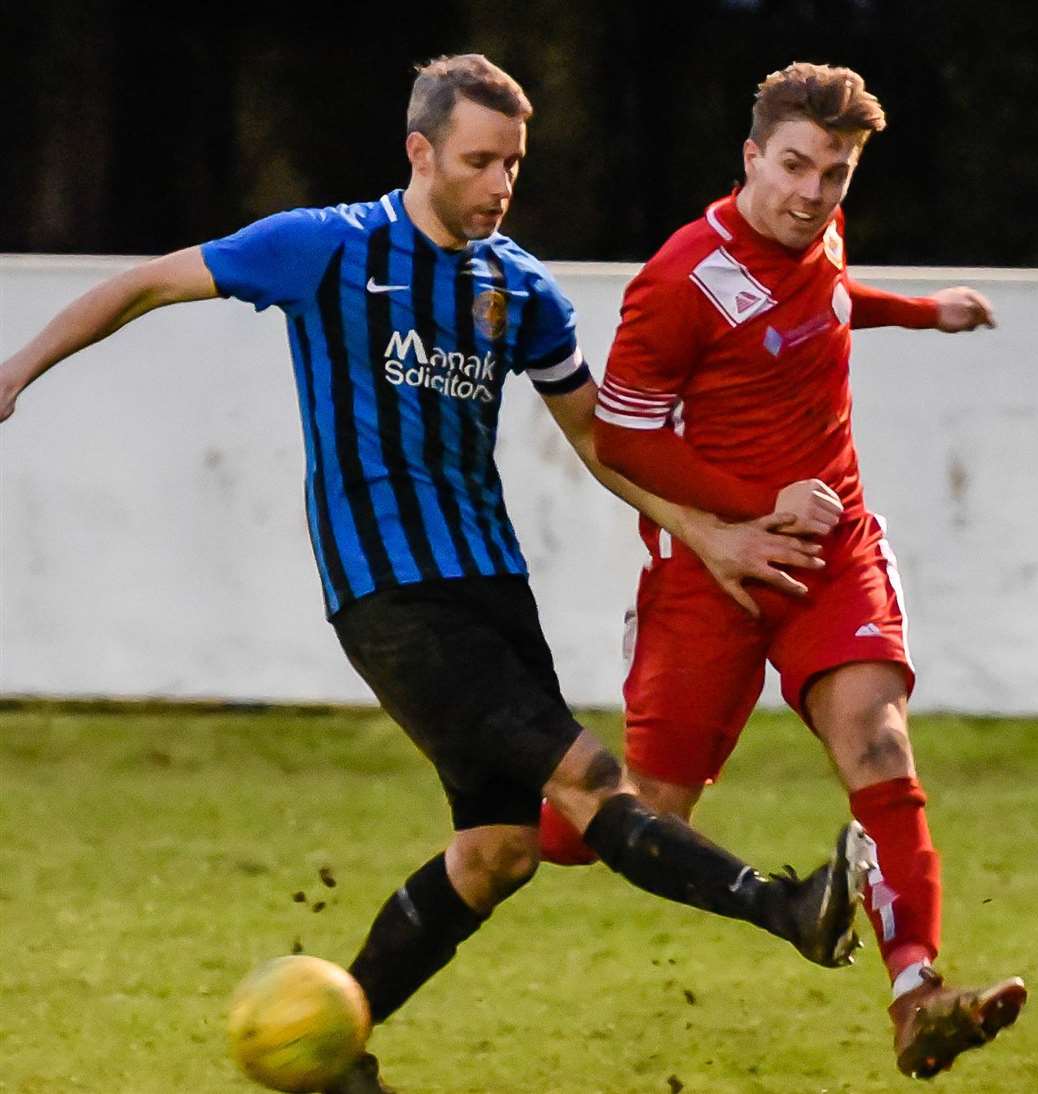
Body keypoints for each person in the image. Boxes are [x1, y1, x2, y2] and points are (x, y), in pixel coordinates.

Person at [0, 55, 874, 1093]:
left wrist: (712, 531)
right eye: (477, 161)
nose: (500, 183)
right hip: (390, 595)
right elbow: (145, 282)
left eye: (513, 162)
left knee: (498, 853)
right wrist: (15, 371)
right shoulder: (325, 249)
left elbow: (602, 443)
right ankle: (785, 905)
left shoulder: (522, 287)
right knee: (591, 783)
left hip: (492, 589)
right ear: (420, 152)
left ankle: (330, 1051)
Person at [538, 62, 1027, 1080]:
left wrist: (920, 311)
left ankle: (917, 992)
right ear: (751, 155)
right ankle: (499, 812)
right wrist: (750, 510)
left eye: (835, 174)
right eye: (795, 166)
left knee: (880, 741)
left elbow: (829, 294)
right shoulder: (679, 279)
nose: (812, 193)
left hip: (829, 552)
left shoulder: (820, 232)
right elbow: (622, 434)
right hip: (704, 574)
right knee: (638, 817)